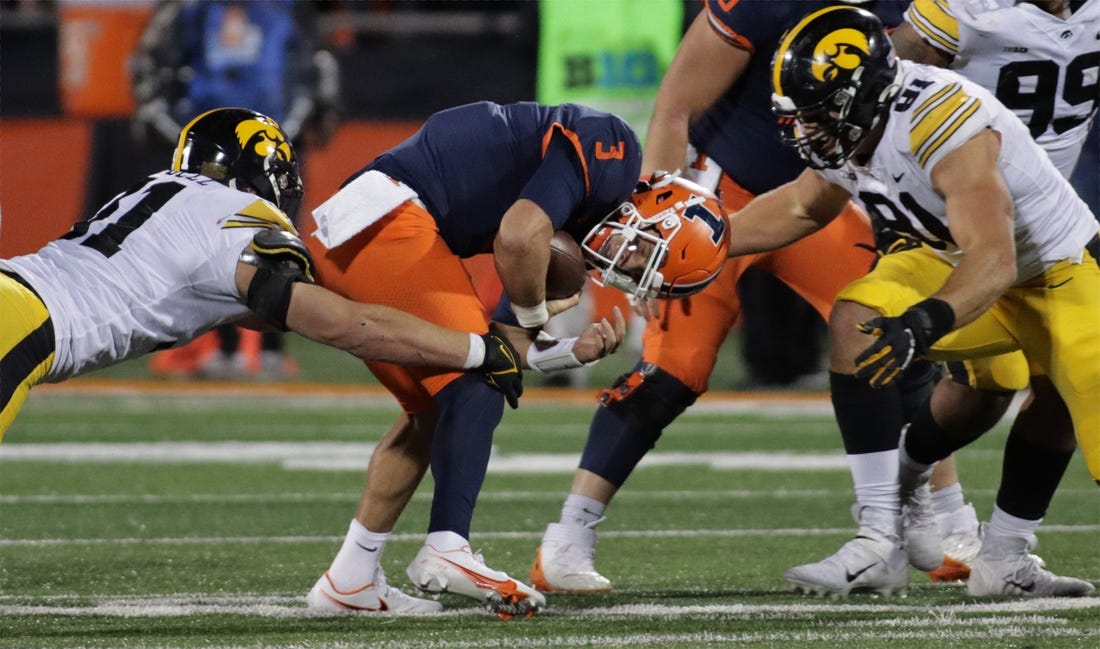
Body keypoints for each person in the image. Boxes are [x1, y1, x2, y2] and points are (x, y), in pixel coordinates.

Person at [530, 0, 945, 596]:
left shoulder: (919, 8)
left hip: (823, 191)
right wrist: (654, 224)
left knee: (890, 333)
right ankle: (568, 536)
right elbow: (675, 108)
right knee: (673, 370)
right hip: (719, 194)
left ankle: (929, 518)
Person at [302, 101, 728, 617]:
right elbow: (517, 238)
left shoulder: (566, 216)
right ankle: (447, 547)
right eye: (645, 254)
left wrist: (572, 350)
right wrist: (532, 319)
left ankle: (350, 578)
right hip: (387, 216)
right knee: (480, 376)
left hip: (363, 224)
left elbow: (509, 341)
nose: (627, 264)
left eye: (642, 274)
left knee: (432, 413)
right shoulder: (612, 149)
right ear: (656, 207)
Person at [736, 6, 1097, 597]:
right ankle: (879, 536)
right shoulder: (854, 125)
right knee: (860, 318)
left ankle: (1005, 557)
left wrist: (926, 321)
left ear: (865, 94)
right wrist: (710, 239)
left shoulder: (942, 121)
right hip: (946, 257)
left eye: (822, 112)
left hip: (1052, 269)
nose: (809, 130)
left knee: (1064, 395)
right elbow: (803, 206)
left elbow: (996, 258)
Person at [0, 107, 527, 439]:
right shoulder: (235, 216)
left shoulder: (161, 195)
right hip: (25, 321)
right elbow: (343, 324)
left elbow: (275, 317)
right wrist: (476, 348)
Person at [882, 0, 1100, 582]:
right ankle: (901, 489)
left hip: (1044, 229)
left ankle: (1004, 553)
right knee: (985, 390)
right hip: (955, 230)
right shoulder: (966, 9)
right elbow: (883, 90)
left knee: (1061, 383)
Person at [130, 0, 340, 379]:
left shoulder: (288, 9)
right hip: (215, 147)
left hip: (275, 140)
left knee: (279, 243)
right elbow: (151, 62)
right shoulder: (191, 9)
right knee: (215, 244)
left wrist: (311, 115)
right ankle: (224, 348)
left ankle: (272, 349)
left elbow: (317, 64)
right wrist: (171, 122)